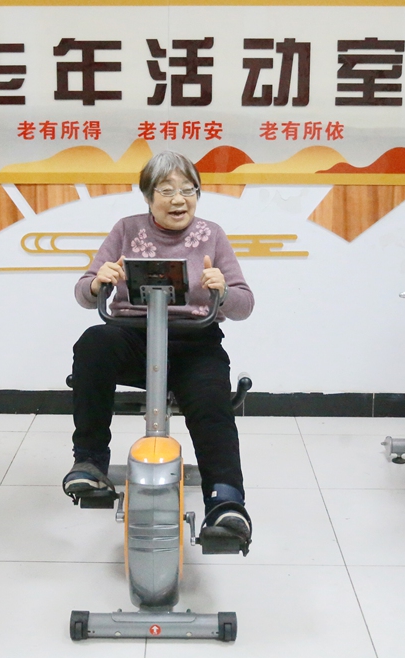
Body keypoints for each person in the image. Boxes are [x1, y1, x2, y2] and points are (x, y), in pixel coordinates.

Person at [64, 151, 255, 549]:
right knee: (93, 343)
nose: (178, 199)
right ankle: (90, 462)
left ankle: (226, 502)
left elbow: (244, 303)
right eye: (166, 190)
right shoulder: (126, 229)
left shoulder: (212, 234)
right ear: (148, 197)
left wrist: (222, 289)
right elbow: (84, 292)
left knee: (211, 401)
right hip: (133, 335)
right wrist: (99, 282)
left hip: (194, 339)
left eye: (188, 190)